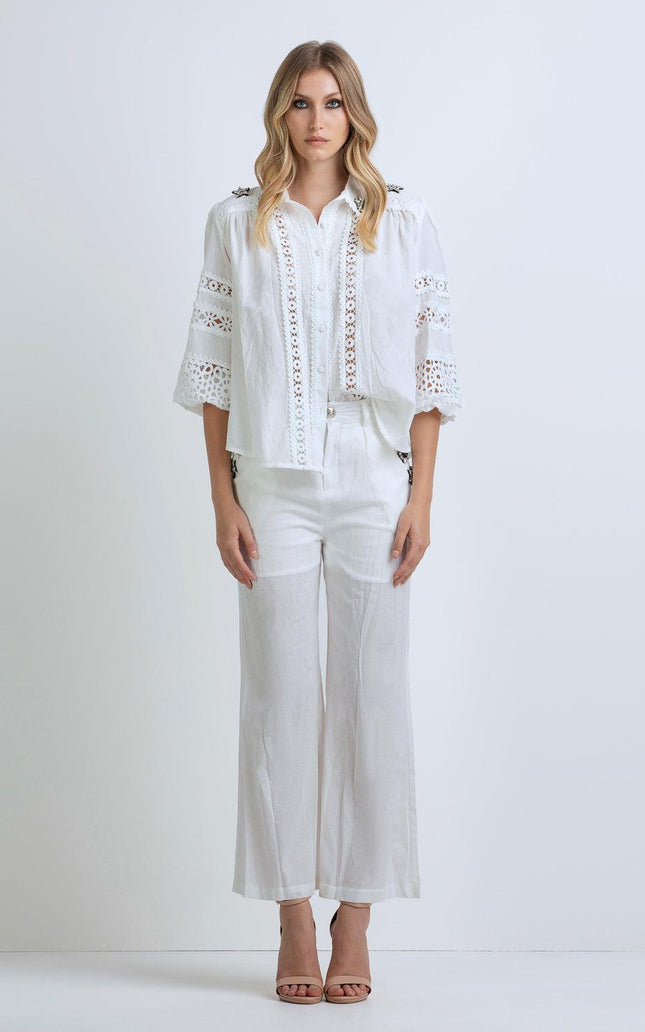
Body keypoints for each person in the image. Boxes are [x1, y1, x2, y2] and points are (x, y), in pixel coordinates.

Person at [173, 40, 462, 1006]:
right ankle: (293, 911)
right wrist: (223, 499)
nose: (316, 119)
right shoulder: (237, 225)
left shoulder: (403, 220)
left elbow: (430, 364)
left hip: (374, 483)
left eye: (333, 102)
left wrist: (421, 495)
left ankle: (357, 918)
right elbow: (213, 369)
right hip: (276, 488)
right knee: (279, 702)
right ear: (278, 117)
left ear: (355, 116)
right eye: (300, 103)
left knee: (372, 700)